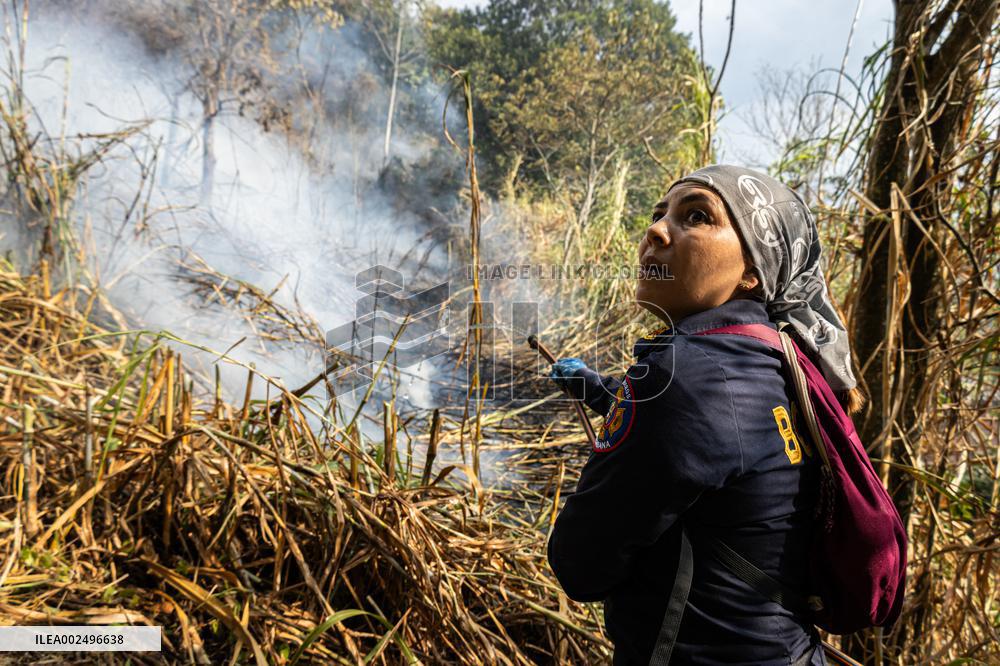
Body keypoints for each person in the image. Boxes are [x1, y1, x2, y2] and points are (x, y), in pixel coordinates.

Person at [546, 165, 864, 665]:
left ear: (752, 270)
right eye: (658, 214)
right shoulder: (776, 361)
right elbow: (714, 439)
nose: (654, 231)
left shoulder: (688, 375)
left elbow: (580, 566)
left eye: (696, 215)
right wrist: (599, 390)